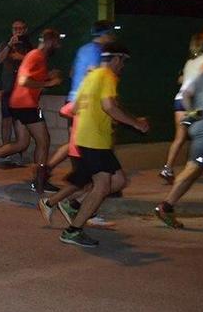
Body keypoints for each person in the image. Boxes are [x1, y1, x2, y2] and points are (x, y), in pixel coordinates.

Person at [55, 43, 148, 247]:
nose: (123, 66)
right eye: (123, 62)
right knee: (103, 184)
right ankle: (73, 230)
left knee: (119, 181)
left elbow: (75, 107)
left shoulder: (91, 76)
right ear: (117, 59)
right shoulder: (107, 77)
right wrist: (136, 124)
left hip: (90, 139)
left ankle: (76, 204)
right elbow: (109, 106)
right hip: (94, 140)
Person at [0, 29, 63, 193]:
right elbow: (24, 81)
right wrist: (48, 84)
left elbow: (30, 78)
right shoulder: (36, 55)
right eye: (57, 42)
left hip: (19, 104)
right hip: (27, 105)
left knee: (21, 143)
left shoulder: (39, 57)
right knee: (44, 141)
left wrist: (47, 77)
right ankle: (40, 181)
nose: (58, 46)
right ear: (50, 41)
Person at [46, 21, 117, 175]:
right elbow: (91, 75)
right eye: (111, 33)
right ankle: (84, 180)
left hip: (75, 100)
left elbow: (72, 72)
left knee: (77, 142)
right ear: (104, 34)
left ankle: (47, 172)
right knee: (84, 143)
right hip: (84, 103)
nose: (113, 37)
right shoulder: (97, 51)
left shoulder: (84, 49)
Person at [154, 65, 203, 228]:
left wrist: (193, 112)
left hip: (198, 124)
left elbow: (186, 94)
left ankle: (167, 206)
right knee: (193, 168)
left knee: (195, 170)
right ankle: (166, 206)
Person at [160, 31, 203, 184]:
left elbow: (181, 79)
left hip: (180, 100)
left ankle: (167, 168)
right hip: (197, 102)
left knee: (180, 138)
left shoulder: (189, 62)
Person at [0, 19, 32, 162]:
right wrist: (10, 45)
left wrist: (21, 57)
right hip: (8, 87)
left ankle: (19, 150)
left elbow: (33, 61)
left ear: (25, 29)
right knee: (6, 119)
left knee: (20, 120)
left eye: (20, 28)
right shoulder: (6, 43)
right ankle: (5, 150)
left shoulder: (28, 45)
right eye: (15, 28)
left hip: (23, 89)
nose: (18, 31)